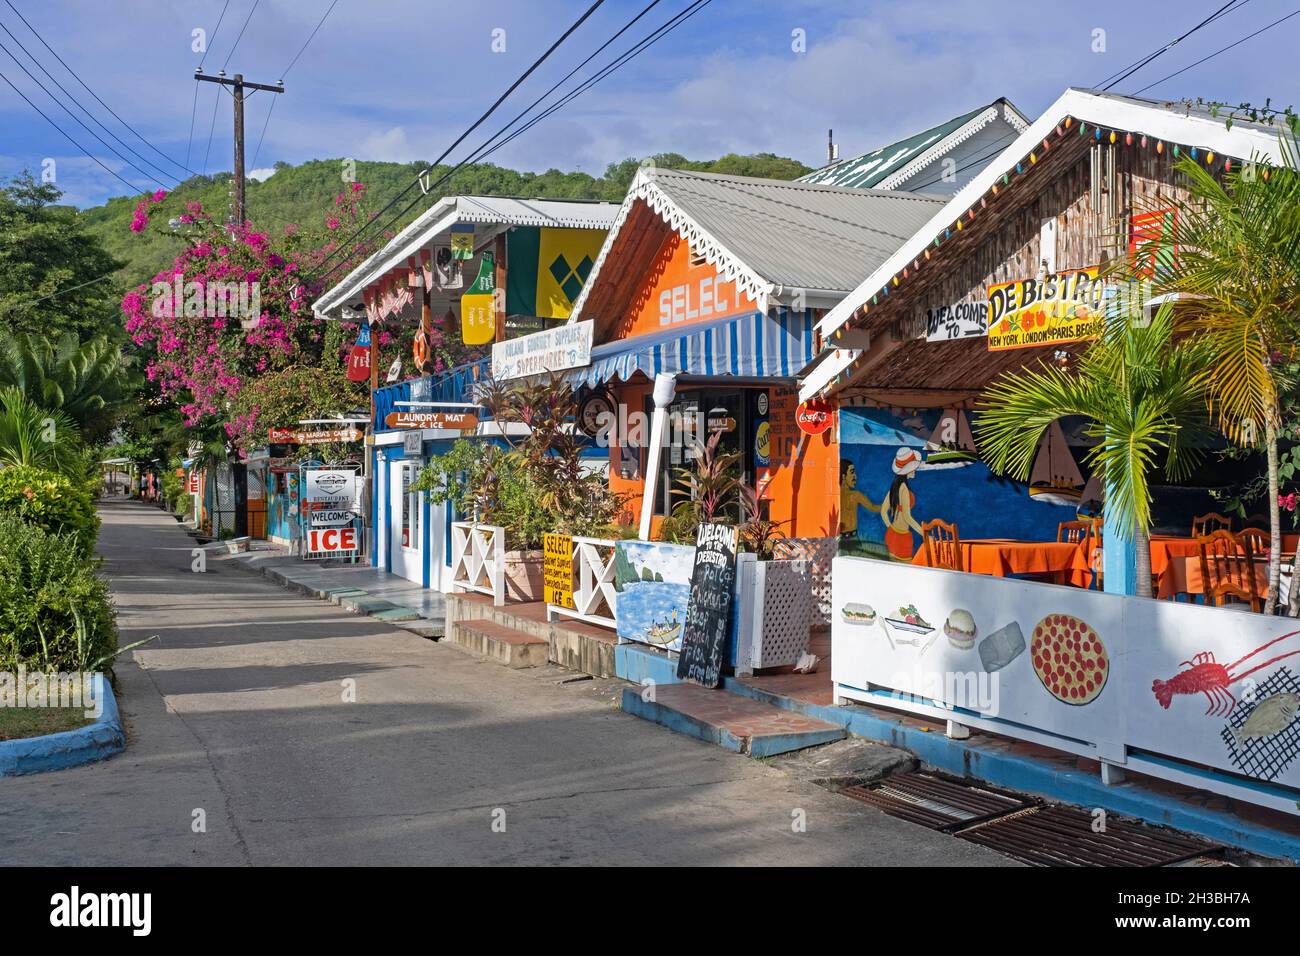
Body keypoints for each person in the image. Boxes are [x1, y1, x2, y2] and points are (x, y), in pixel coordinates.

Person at [880, 447, 924, 560]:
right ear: (907, 470)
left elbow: (883, 512)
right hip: (902, 537)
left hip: (892, 534)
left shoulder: (894, 487)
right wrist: (924, 533)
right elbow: (907, 517)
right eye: (913, 467)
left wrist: (890, 528)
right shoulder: (904, 488)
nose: (915, 470)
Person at [839, 460, 879, 546]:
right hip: (846, 540)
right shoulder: (854, 495)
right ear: (843, 476)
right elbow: (873, 508)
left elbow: (873, 507)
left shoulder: (855, 495)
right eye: (852, 473)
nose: (855, 477)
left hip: (848, 540)